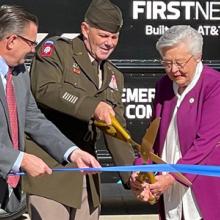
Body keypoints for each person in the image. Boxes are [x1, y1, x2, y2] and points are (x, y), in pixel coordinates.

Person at [23, 0, 135, 219]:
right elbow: (45, 89)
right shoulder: (57, 51)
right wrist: (92, 106)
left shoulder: (114, 75)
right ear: (85, 29)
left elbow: (115, 130)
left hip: (87, 177)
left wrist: (132, 175)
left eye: (114, 37)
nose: (109, 43)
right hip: (52, 172)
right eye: (103, 35)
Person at [0, 4, 101, 214]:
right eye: (30, 42)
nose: (33, 49)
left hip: (8, 193)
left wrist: (72, 152)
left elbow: (33, 119)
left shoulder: (19, 73)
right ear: (11, 41)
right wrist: (20, 159)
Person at [131, 25, 220, 220]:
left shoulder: (214, 85)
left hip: (204, 193)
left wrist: (172, 177)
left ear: (197, 56)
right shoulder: (163, 85)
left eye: (179, 62)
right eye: (167, 63)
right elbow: (152, 139)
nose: (173, 70)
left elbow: (205, 143)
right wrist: (139, 170)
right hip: (170, 195)